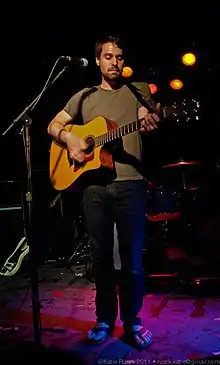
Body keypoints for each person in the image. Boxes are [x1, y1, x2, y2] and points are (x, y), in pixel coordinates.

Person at [47, 35, 163, 348]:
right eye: (108, 57)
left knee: (131, 261)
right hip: (94, 186)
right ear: (98, 60)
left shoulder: (137, 91)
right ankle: (103, 320)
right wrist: (71, 140)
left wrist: (151, 120)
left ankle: (134, 322)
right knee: (100, 259)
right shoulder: (84, 97)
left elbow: (145, 117)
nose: (115, 62)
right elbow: (53, 125)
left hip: (130, 184)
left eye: (120, 57)